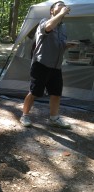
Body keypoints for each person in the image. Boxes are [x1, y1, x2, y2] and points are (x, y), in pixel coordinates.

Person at [20, 1, 76, 129]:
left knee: (56, 93)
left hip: (56, 66)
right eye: (59, 5)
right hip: (41, 63)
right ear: (52, 10)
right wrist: (62, 13)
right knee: (34, 92)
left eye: (63, 6)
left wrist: (66, 45)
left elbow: (58, 44)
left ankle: (54, 118)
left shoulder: (63, 27)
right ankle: (25, 116)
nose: (62, 7)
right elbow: (49, 28)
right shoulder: (44, 22)